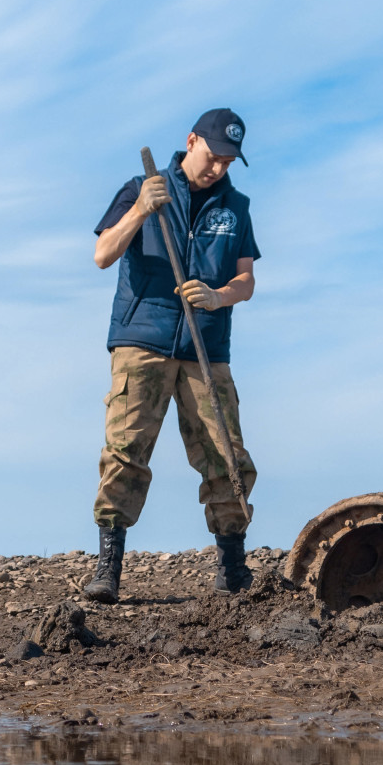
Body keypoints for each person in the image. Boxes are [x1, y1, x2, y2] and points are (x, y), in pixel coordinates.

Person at [82, 108, 261, 604]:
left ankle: (232, 570)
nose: (219, 169)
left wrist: (218, 296)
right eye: (214, 156)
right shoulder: (142, 186)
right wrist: (140, 209)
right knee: (126, 451)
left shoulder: (236, 206)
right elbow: (102, 255)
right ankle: (108, 571)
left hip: (207, 344)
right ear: (191, 141)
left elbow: (246, 280)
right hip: (142, 341)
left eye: (228, 162)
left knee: (226, 454)